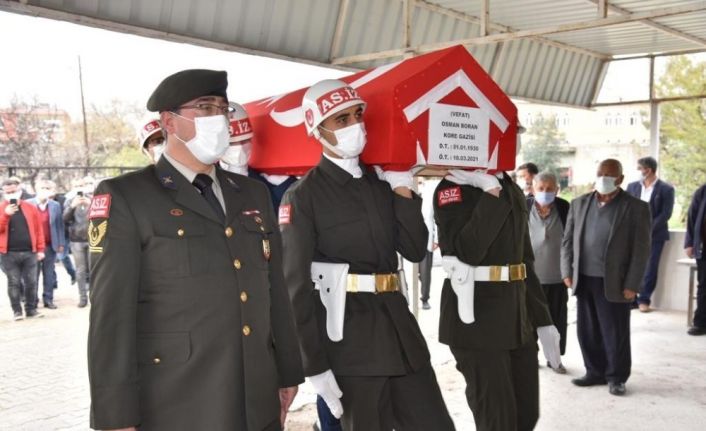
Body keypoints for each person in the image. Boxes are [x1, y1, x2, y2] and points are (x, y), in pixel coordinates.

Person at [87, 69, 303, 431]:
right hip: (179, 402)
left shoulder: (251, 194)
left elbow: (275, 290)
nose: (218, 118)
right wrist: (115, 415)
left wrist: (287, 372)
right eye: (204, 107)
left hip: (256, 395)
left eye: (223, 108)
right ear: (169, 122)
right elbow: (111, 316)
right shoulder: (127, 196)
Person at [280, 79, 454, 431]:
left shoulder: (380, 184)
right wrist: (314, 365)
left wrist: (404, 190)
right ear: (317, 130)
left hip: (401, 335)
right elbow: (294, 287)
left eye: (358, 115)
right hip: (350, 347)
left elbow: (413, 248)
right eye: (341, 120)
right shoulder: (304, 196)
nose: (355, 126)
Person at [433, 167, 558, 431]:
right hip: (477, 319)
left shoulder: (509, 184)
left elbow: (523, 261)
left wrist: (543, 320)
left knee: (526, 415)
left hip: (516, 317)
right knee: (497, 421)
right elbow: (466, 251)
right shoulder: (453, 186)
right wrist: (490, 194)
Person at [561, 159, 650, 396]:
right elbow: (567, 241)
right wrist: (566, 271)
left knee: (615, 331)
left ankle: (616, 376)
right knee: (587, 329)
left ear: (620, 179)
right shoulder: (580, 204)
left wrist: (633, 284)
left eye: (610, 175)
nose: (604, 178)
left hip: (616, 281)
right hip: (584, 278)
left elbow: (641, 250)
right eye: (600, 173)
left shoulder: (636, 207)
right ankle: (594, 371)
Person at [527, 172, 570, 374]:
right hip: (529, 278)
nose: (545, 192)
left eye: (550, 188)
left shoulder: (564, 208)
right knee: (528, 322)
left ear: (557, 190)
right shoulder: (524, 207)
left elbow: (571, 242)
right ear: (533, 190)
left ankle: (555, 360)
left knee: (555, 321)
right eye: (541, 188)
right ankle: (529, 358)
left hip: (557, 277)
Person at [220, 102, 297, 213]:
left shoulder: (268, 183)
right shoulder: (205, 181)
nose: (240, 148)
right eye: (232, 143)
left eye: (244, 141)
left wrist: (285, 184)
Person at [626, 156, 675, 312]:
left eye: (640, 168)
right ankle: (631, 298)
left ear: (648, 170)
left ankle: (644, 299)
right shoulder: (632, 186)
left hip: (655, 235)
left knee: (650, 267)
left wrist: (648, 229)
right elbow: (626, 208)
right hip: (633, 234)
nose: (638, 171)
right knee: (631, 266)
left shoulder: (666, 189)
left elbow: (666, 213)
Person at [0, 177, 46, 320]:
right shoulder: (1, 208)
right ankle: (17, 311)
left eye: (14, 190)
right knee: (13, 282)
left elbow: (38, 230)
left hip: (30, 252)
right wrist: (6, 215)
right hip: (8, 253)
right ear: (3, 192)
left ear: (20, 190)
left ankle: (31, 309)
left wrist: (40, 249)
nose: (11, 194)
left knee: (32, 282)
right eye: (8, 191)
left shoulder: (30, 207)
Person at [28, 179, 66, 309]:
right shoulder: (28, 204)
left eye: (48, 188)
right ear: (36, 190)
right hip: (33, 247)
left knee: (49, 274)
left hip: (50, 245)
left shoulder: (55, 205)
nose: (45, 191)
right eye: (42, 188)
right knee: (33, 275)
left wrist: (61, 243)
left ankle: (48, 299)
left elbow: (60, 225)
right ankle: (32, 300)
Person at [63, 180, 91, 308]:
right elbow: (64, 219)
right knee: (80, 270)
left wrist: (91, 205)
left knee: (94, 269)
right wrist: (72, 206)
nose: (80, 189)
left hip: (93, 238)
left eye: (82, 186)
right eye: (77, 186)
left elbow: (103, 216)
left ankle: (95, 296)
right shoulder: (69, 201)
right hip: (76, 240)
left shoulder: (93, 199)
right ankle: (82, 297)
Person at [684, 183, 706, 336]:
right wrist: (689, 243)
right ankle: (700, 323)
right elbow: (692, 217)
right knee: (704, 286)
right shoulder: (703, 191)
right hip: (704, 248)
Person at [419, 178, 439, 310]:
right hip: (407, 237)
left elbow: (434, 217)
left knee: (425, 272)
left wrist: (436, 239)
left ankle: (425, 298)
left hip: (425, 238)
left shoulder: (431, 188)